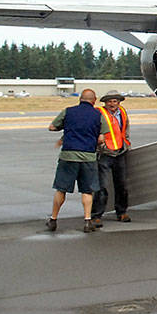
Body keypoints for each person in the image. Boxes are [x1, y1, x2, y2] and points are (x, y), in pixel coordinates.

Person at [46, 88, 110, 233]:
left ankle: (53, 219)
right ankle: (87, 221)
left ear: (80, 99)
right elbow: (101, 139)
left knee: (61, 189)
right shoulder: (98, 115)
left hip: (68, 155)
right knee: (87, 191)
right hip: (88, 156)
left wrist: (66, 130)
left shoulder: (68, 111)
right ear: (94, 101)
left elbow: (52, 127)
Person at [93, 91, 132, 225]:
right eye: (109, 101)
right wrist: (101, 147)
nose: (112, 104)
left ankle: (122, 212)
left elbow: (125, 129)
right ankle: (96, 215)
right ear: (105, 103)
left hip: (120, 152)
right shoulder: (99, 113)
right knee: (102, 186)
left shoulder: (122, 112)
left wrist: (126, 144)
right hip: (105, 154)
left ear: (119, 102)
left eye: (114, 101)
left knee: (122, 185)